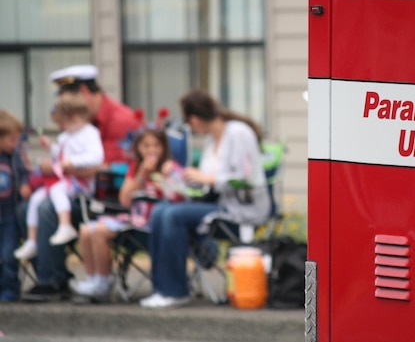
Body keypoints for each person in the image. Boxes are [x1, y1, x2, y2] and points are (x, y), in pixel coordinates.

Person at [139, 89, 271, 309]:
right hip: (216, 205)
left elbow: (246, 178)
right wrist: (179, 176)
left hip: (242, 210)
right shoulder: (212, 140)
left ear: (194, 119)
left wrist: (206, 178)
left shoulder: (238, 133)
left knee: (173, 215)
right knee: (160, 210)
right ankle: (160, 289)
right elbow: (203, 184)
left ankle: (175, 291)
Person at [20, 64, 140, 302]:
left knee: (47, 209)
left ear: (83, 92)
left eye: (68, 100)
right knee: (24, 208)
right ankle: (56, 274)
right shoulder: (76, 123)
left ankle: (50, 281)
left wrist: (65, 166)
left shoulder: (120, 119)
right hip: (76, 189)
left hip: (105, 198)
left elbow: (111, 168)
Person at [71, 127, 184, 299]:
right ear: (138, 148)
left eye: (156, 145)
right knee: (86, 230)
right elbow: (124, 199)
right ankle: (93, 279)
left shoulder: (170, 168)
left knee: (99, 232)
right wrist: (141, 175)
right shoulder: (135, 168)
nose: (151, 150)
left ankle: (103, 283)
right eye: (146, 146)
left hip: (154, 224)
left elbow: (176, 195)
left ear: (164, 148)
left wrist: (159, 178)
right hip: (134, 219)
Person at [14, 95, 104, 260]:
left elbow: (95, 158)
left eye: (62, 124)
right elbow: (61, 155)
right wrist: (51, 147)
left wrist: (68, 163)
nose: (61, 128)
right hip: (65, 180)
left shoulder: (90, 134)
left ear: (75, 119)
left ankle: (65, 225)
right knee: (35, 200)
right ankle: (32, 241)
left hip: (79, 186)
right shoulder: (66, 136)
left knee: (49, 202)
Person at [0, 110, 33, 301]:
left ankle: (11, 287)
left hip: (10, 214)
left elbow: (23, 175)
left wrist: (25, 185)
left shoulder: (15, 158)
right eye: (11, 140)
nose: (16, 144)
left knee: (9, 253)